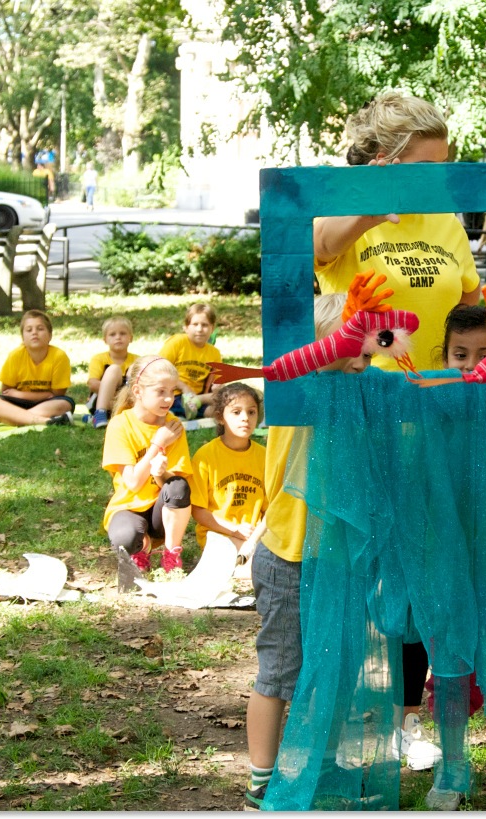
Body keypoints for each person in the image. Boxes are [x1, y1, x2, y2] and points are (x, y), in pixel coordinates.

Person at [245, 295, 365, 809]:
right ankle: (262, 776)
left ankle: (324, 761)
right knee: (279, 670)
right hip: (288, 558)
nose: (363, 358)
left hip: (337, 560)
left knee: (336, 669)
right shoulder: (296, 387)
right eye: (352, 346)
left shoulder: (360, 393)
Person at [313, 90, 481, 373]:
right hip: (363, 396)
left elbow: (467, 300)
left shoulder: (445, 219)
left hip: (436, 395)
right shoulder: (345, 213)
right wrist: (369, 212)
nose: (437, 177)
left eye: (442, 165)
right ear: (387, 161)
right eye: (427, 167)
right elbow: (320, 247)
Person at [102, 357, 193, 579]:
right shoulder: (120, 425)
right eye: (161, 391)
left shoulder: (174, 425)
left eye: (172, 391)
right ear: (138, 391)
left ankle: (171, 556)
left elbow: (175, 488)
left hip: (159, 511)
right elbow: (132, 483)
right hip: (129, 507)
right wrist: (157, 444)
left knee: (178, 485)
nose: (169, 399)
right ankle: (141, 548)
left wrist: (162, 474)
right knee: (125, 537)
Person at [190, 383, 265, 555]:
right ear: (220, 417)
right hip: (218, 535)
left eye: (251, 412)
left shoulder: (264, 456)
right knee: (256, 565)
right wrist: (234, 529)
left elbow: (270, 508)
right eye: (236, 412)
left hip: (256, 536)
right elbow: (198, 510)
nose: (245, 418)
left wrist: (256, 536)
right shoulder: (205, 456)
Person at [0, 310, 74, 427]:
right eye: (29, 330)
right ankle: (47, 421)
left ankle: (3, 419)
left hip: (46, 404)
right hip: (18, 403)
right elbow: (7, 392)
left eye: (40, 329)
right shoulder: (15, 355)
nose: (34, 333)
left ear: (50, 335)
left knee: (64, 405)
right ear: (23, 337)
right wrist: (36, 395)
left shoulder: (59, 356)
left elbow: (57, 394)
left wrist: (20, 394)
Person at [158, 303, 223, 417]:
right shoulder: (177, 342)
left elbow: (217, 382)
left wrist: (218, 386)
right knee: (169, 406)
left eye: (205, 325)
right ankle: (179, 413)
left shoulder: (214, 353)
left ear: (212, 328)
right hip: (173, 393)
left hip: (198, 397)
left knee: (221, 405)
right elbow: (159, 368)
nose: (200, 329)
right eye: (195, 324)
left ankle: (195, 403)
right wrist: (184, 387)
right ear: (186, 327)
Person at [87, 316, 139, 428]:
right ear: (105, 340)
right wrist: (114, 394)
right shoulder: (99, 359)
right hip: (103, 400)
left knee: (135, 367)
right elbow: (92, 383)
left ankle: (119, 416)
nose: (118, 337)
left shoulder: (136, 359)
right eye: (112, 334)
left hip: (128, 400)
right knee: (114, 369)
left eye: (123, 333)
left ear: (131, 338)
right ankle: (100, 414)